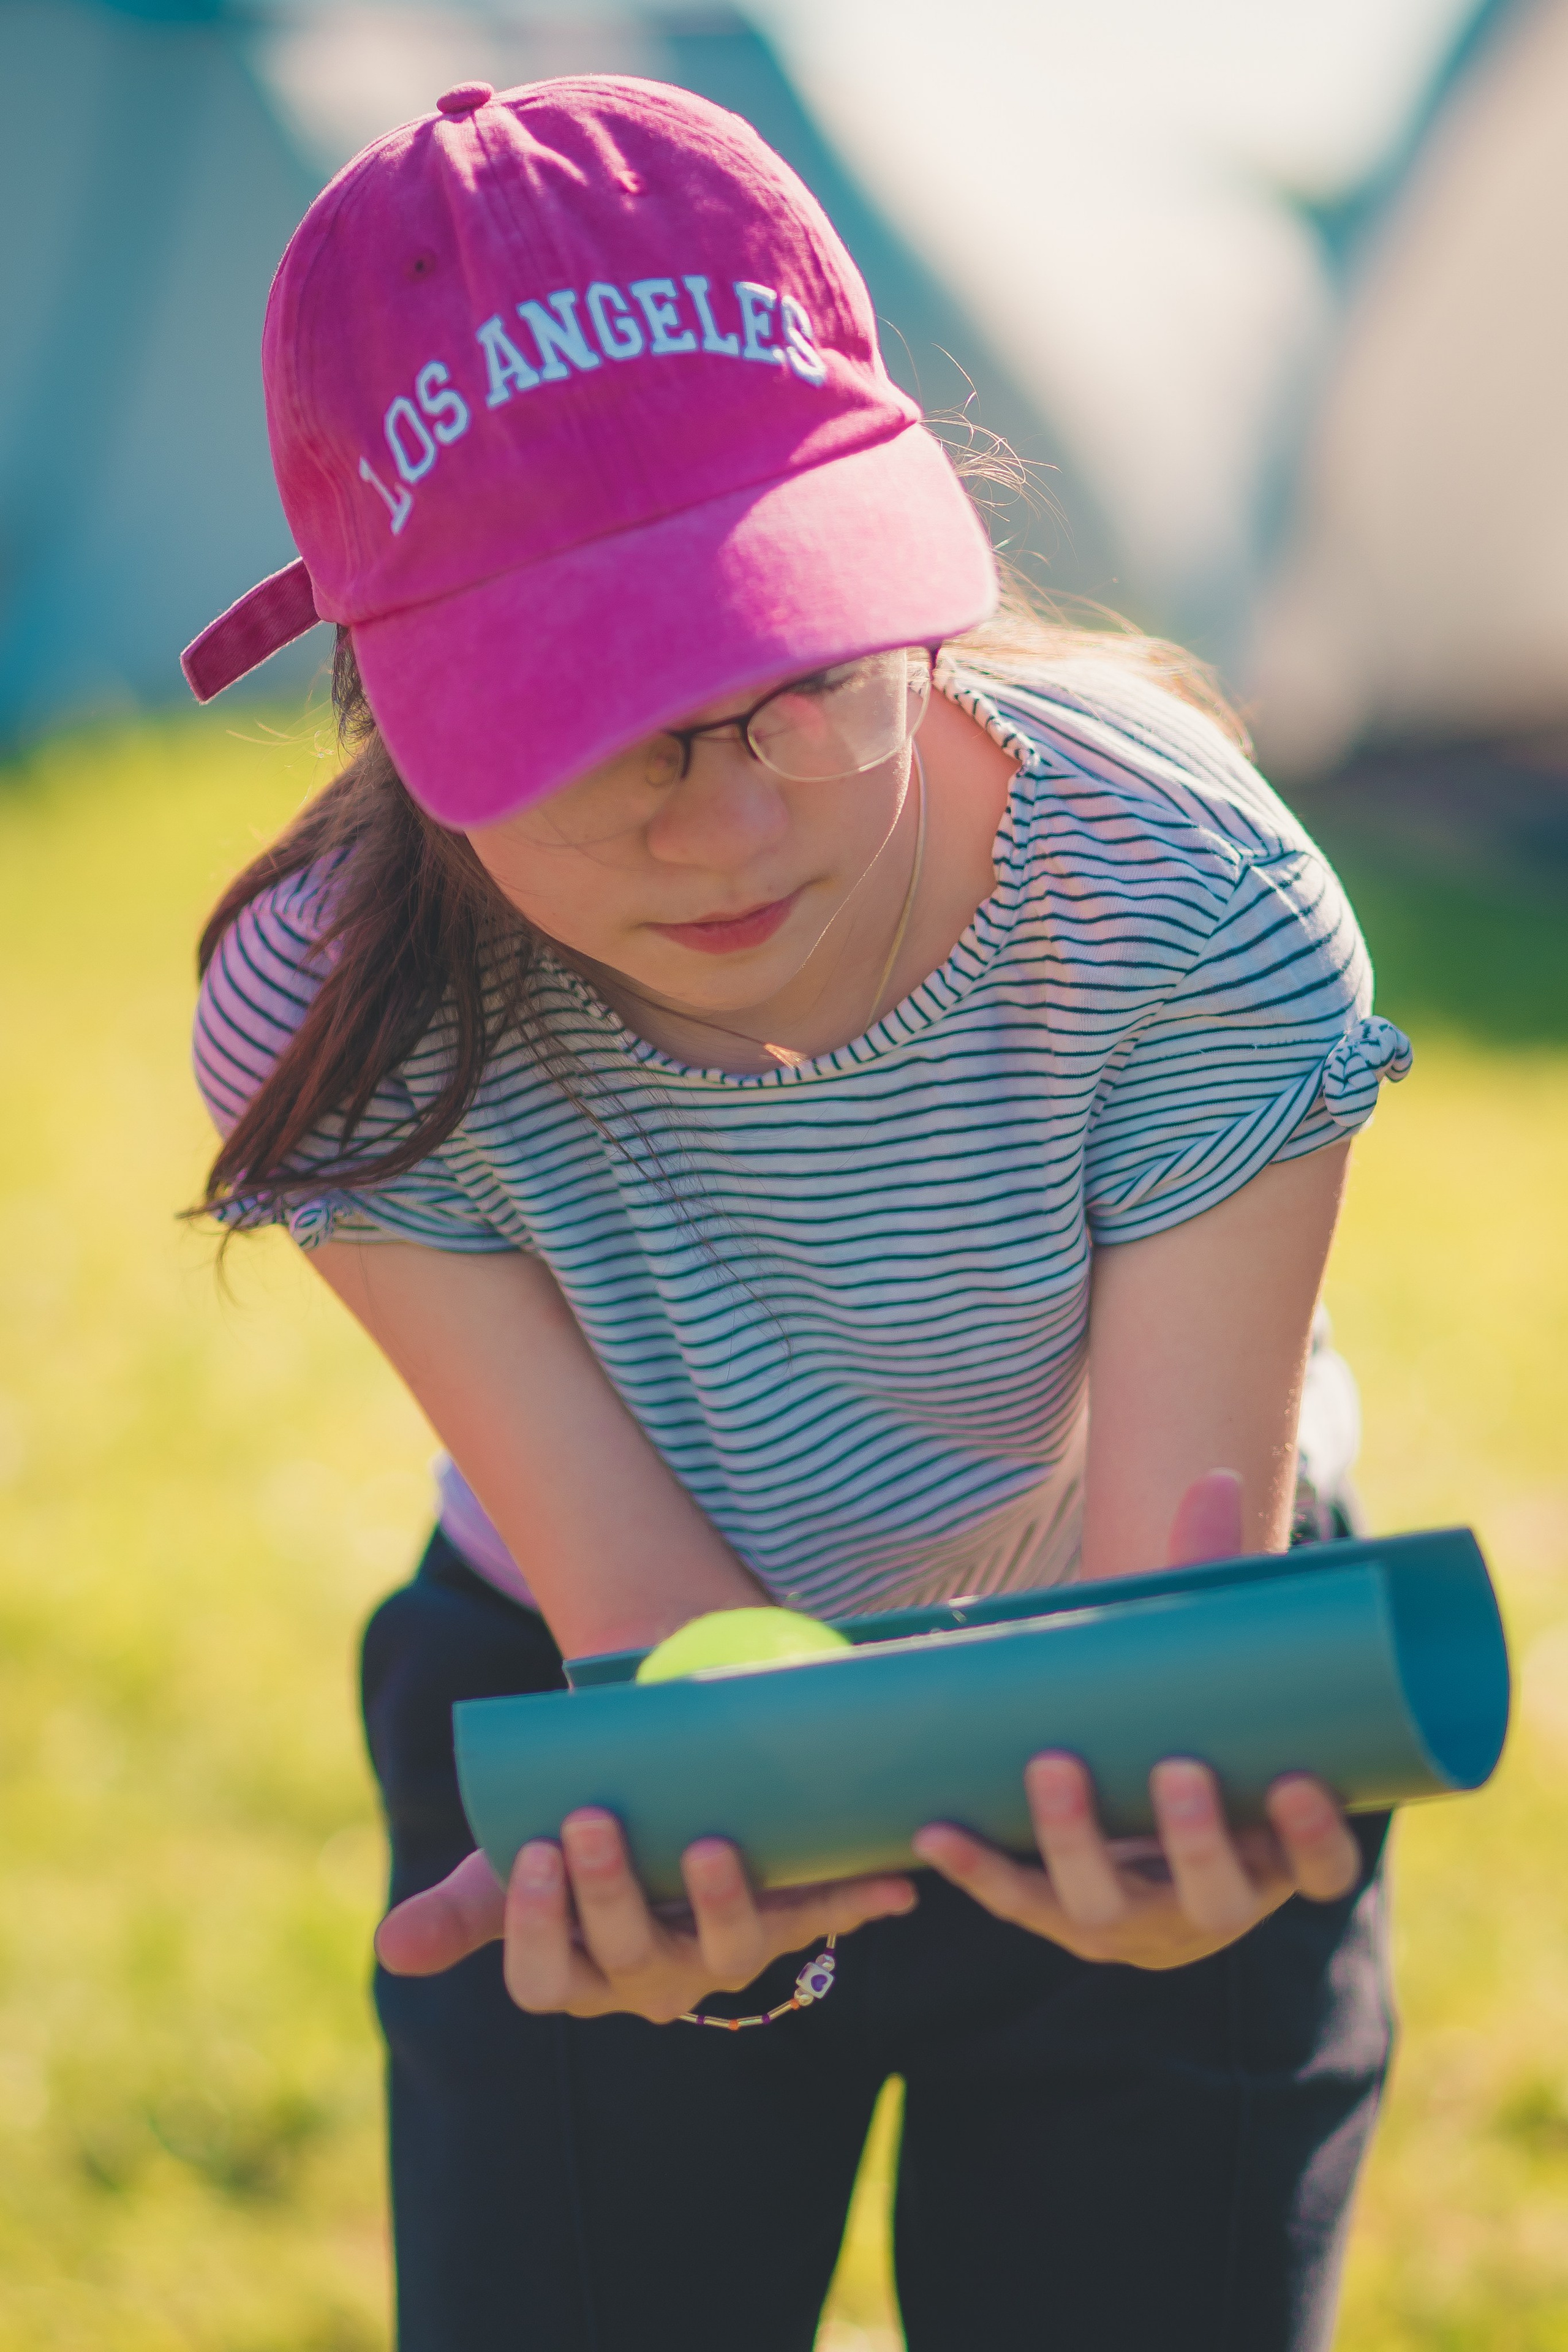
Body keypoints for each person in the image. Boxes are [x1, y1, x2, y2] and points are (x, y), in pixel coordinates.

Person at [183, 73, 1412, 2352]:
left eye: (801, 680)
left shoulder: (1195, 907)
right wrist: (703, 1838)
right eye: (603, 723)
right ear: (390, 696)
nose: (733, 825)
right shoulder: (330, 1022)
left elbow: (1166, 1620)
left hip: (1128, 1663)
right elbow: (642, 1613)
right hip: (614, 1689)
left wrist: (1160, 1868)